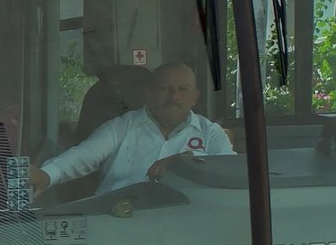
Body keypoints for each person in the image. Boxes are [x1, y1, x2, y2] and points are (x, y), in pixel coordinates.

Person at [29, 61, 232, 196]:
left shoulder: (210, 133)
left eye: (182, 89)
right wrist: (47, 175)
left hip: (187, 228)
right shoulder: (121, 127)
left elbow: (230, 175)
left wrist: (188, 165)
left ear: (194, 97)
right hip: (117, 222)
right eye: (164, 89)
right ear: (148, 94)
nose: (174, 97)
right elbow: (83, 155)